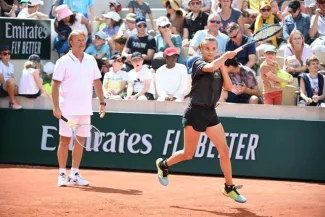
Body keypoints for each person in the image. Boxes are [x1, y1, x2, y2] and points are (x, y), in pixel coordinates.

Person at [155, 36, 247, 203]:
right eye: (207, 49)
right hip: (196, 112)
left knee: (224, 150)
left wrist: (224, 64)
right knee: (188, 154)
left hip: (211, 113)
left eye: (213, 49)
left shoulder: (218, 65)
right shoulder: (198, 62)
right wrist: (225, 56)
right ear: (201, 50)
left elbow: (227, 87)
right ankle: (164, 164)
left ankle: (229, 187)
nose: (210, 52)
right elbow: (211, 67)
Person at [51, 30, 106, 187]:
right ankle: (62, 173)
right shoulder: (62, 62)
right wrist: (56, 107)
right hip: (67, 110)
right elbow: (55, 85)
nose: (82, 42)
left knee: (80, 141)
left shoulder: (91, 60)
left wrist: (102, 102)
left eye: (83, 39)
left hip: (85, 109)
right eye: (78, 40)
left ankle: (74, 174)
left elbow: (97, 82)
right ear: (71, 42)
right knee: (64, 140)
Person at [0, 45, 22, 110]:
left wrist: (14, 88)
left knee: (20, 88)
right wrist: (11, 89)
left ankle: (12, 101)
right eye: (5, 54)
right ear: (0, 56)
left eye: (9, 53)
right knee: (11, 81)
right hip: (1, 87)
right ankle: (12, 102)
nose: (7, 55)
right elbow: (1, 80)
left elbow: (12, 78)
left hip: (8, 86)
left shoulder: (11, 65)